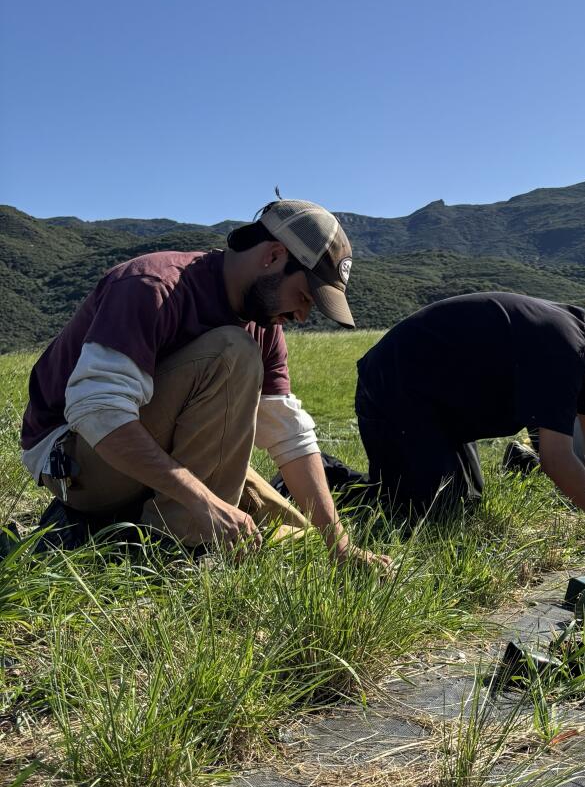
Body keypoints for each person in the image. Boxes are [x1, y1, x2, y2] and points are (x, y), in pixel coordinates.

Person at [20, 197, 386, 566]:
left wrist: (340, 547)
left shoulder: (265, 323)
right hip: (75, 461)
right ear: (273, 256)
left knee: (304, 538)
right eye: (305, 296)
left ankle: (171, 524)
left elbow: (288, 434)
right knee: (232, 351)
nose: (303, 315)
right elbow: (99, 412)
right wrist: (203, 500)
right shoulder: (151, 285)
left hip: (144, 454)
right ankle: (173, 551)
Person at [354, 293, 585, 531]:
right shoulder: (565, 347)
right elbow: (556, 459)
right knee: (428, 513)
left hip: (439, 412)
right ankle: (320, 489)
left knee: (465, 503)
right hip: (395, 391)